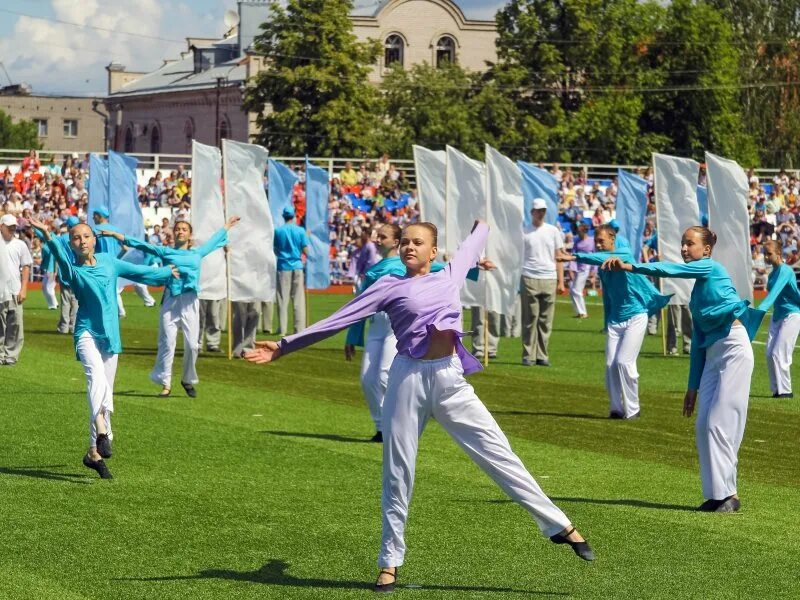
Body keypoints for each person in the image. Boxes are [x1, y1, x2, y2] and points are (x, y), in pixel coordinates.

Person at [246, 220, 594, 592]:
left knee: (499, 453)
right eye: (406, 243)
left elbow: (475, 241)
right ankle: (389, 563)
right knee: (398, 473)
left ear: (433, 250)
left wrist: (483, 225)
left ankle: (559, 526)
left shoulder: (450, 273)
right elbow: (340, 318)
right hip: (407, 379)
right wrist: (284, 346)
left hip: (450, 380)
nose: (410, 247)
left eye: (418, 242)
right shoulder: (388, 286)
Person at [603, 226, 765, 512]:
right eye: (683, 243)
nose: (684, 248)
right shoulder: (696, 298)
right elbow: (700, 343)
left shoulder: (712, 269)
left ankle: (730, 495)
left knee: (719, 423)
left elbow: (671, 270)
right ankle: (718, 495)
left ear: (706, 250)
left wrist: (631, 265)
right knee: (703, 425)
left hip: (735, 350)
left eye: (690, 244)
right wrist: (692, 387)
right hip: (714, 356)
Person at [30, 218, 180, 479]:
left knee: (102, 393)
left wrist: (167, 273)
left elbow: (138, 272)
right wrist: (46, 234)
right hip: (86, 332)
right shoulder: (72, 270)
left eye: (86, 236)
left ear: (94, 240)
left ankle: (93, 453)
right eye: (76, 238)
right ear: (72, 245)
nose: (82, 241)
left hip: (110, 335)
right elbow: (58, 254)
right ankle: (102, 432)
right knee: (95, 379)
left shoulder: (109, 262)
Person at [343, 224, 490, 441]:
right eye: (378, 235)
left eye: (382, 236)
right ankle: (382, 426)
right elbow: (360, 304)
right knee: (367, 378)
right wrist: (352, 336)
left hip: (399, 325)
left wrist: (475, 265)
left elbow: (443, 267)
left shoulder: (409, 263)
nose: (377, 239)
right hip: (376, 324)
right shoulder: (375, 269)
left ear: (394, 241)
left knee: (384, 373)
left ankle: (391, 424)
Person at [100, 216, 240, 397]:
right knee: (167, 343)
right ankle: (165, 383)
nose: (180, 231)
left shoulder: (197, 253)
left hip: (190, 302)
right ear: (174, 233)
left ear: (190, 235)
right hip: (170, 301)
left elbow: (214, 241)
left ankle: (187, 379)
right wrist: (116, 235)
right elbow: (142, 245)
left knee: (193, 345)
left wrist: (227, 226)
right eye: (178, 229)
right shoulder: (165, 251)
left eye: (184, 229)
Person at [559, 225, 670, 419]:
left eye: (602, 241)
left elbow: (598, 258)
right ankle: (616, 409)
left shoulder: (624, 254)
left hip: (636, 316)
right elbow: (608, 298)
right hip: (615, 321)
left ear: (612, 239)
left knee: (624, 362)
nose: (599, 244)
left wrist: (574, 257)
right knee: (611, 364)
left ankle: (633, 409)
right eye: (596, 242)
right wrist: (606, 321)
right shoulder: (603, 267)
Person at [520, 198, 565, 366]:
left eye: (543, 211)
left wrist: (561, 281)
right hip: (529, 276)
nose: (540, 213)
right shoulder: (524, 231)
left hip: (549, 277)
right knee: (530, 318)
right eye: (538, 210)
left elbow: (559, 257)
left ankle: (542, 355)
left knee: (546, 320)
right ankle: (528, 355)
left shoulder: (553, 231)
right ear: (532, 212)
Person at [758, 239, 800, 398]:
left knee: (779, 352)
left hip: (792, 315)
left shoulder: (786, 271)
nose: (766, 257)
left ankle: (786, 391)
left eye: (769, 254)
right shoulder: (772, 273)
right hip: (778, 316)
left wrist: (759, 310)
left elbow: (774, 292)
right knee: (769, 354)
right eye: (764, 254)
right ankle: (776, 390)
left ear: (778, 253)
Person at [0, 213, 32, 365]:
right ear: (2, 226)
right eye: (9, 227)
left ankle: (11, 355)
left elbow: (26, 266)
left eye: (14, 227)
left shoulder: (20, 244)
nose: (12, 230)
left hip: (15, 289)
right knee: (1, 325)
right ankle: (0, 355)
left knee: (16, 325)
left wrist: (24, 288)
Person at [273, 206, 308, 335]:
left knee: (282, 299)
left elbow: (275, 249)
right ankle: (299, 328)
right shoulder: (300, 231)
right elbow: (305, 249)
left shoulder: (278, 231)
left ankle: (282, 329)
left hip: (283, 266)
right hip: (297, 266)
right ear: (293, 216)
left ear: (283, 216)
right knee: (298, 299)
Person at [56, 217, 80, 334]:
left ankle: (64, 327)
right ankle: (73, 326)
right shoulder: (80, 238)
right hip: (77, 273)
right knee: (75, 301)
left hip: (64, 273)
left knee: (65, 302)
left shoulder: (62, 239)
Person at [569, 223, 594, 318]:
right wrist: (571, 269)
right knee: (572, 290)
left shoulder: (591, 241)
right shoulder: (577, 241)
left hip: (586, 268)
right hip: (577, 268)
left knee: (576, 290)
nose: (578, 234)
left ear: (584, 231)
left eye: (579, 232)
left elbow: (594, 256)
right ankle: (579, 312)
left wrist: (593, 270)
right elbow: (573, 255)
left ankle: (583, 312)